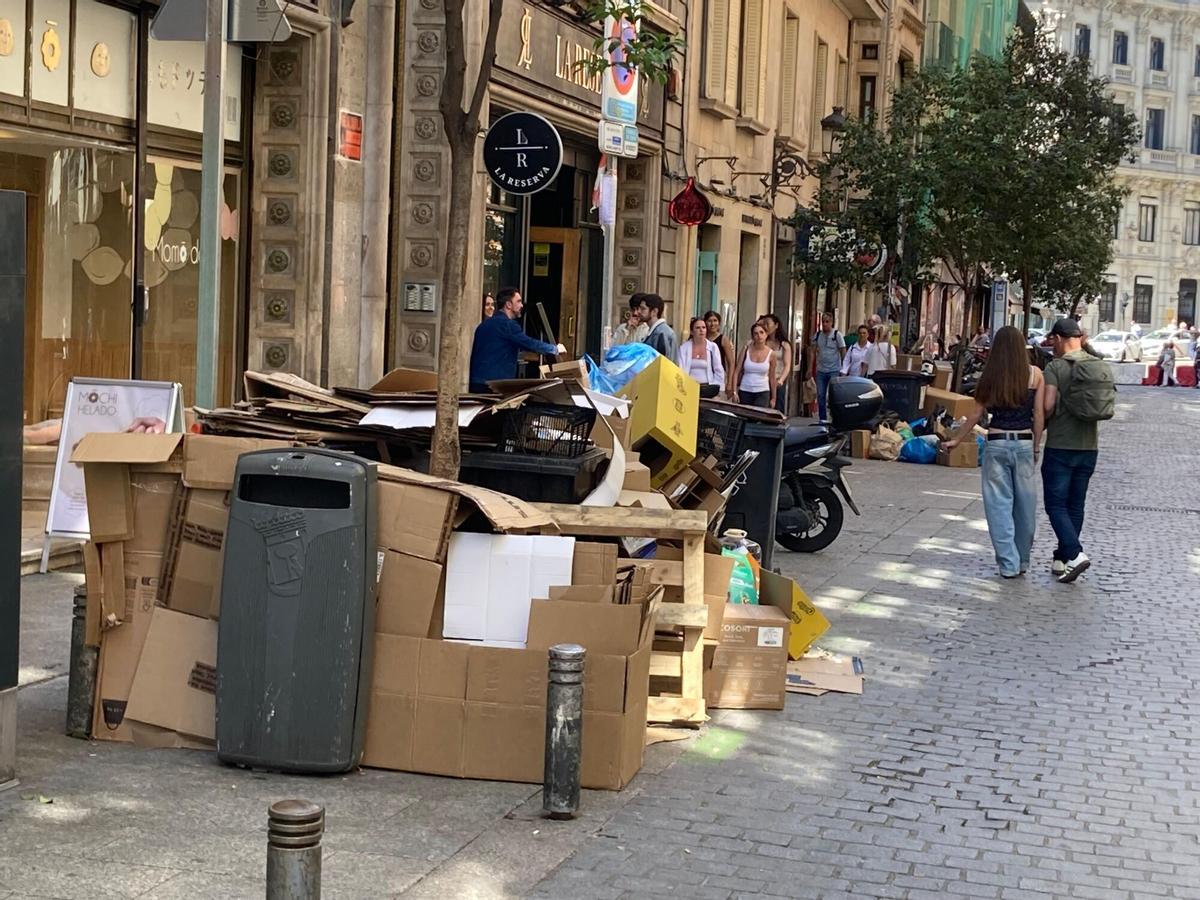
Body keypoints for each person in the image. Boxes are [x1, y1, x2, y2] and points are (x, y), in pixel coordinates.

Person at [944, 326, 1045, 579]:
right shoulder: (1035, 375)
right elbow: (1039, 415)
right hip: (1023, 442)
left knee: (998, 505)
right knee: (1025, 506)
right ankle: (1022, 560)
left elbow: (976, 414)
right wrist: (1036, 445)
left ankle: (1008, 564)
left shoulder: (989, 377)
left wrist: (957, 440)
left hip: (997, 442)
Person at [1041, 317, 1108, 583]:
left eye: (1052, 341)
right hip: (1089, 447)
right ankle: (1062, 559)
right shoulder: (1097, 364)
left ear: (1058, 339)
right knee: (1075, 505)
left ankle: (1076, 554)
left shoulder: (1056, 367)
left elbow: (1046, 405)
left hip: (1060, 445)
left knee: (1055, 504)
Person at [468, 287, 565, 392]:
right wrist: (554, 349)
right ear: (508, 305)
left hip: (476, 382)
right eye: (518, 301)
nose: (521, 305)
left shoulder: (483, 325)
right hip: (495, 384)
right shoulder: (508, 325)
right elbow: (529, 343)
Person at [810, 312, 845, 423]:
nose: (824, 324)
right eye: (823, 322)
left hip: (834, 370)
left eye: (827, 322)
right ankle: (823, 419)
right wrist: (810, 368)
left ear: (831, 322)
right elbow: (812, 351)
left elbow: (843, 350)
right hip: (821, 370)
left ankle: (834, 417)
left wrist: (844, 368)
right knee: (820, 395)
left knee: (832, 396)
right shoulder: (818, 335)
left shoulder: (837, 335)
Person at [677, 318, 726, 398]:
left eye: (703, 327)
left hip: (708, 388)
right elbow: (680, 369)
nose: (701, 330)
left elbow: (718, 370)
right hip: (690, 388)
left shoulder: (712, 347)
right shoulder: (684, 348)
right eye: (698, 328)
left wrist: (719, 390)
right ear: (692, 332)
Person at [732, 322, 777, 408]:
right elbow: (737, 371)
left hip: (762, 390)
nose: (759, 336)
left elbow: (772, 377)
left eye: (761, 332)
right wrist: (734, 392)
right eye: (756, 333)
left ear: (766, 335)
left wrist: (773, 398)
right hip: (745, 389)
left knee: (759, 417)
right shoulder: (746, 350)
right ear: (752, 336)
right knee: (745, 417)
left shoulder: (771, 354)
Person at [760, 313, 794, 412]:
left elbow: (787, 365)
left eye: (768, 324)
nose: (765, 326)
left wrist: (781, 379)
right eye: (763, 324)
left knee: (778, 407)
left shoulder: (784, 344)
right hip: (763, 379)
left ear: (776, 325)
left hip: (777, 378)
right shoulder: (762, 342)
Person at [703, 310, 736, 394]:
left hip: (719, 375)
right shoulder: (701, 339)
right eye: (709, 321)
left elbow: (731, 362)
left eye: (715, 321)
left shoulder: (723, 339)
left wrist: (729, 383)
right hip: (704, 375)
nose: (712, 324)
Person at [637, 293, 678, 360]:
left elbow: (665, 362)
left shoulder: (662, 333)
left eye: (643, 309)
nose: (638, 311)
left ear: (654, 311)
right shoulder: (655, 331)